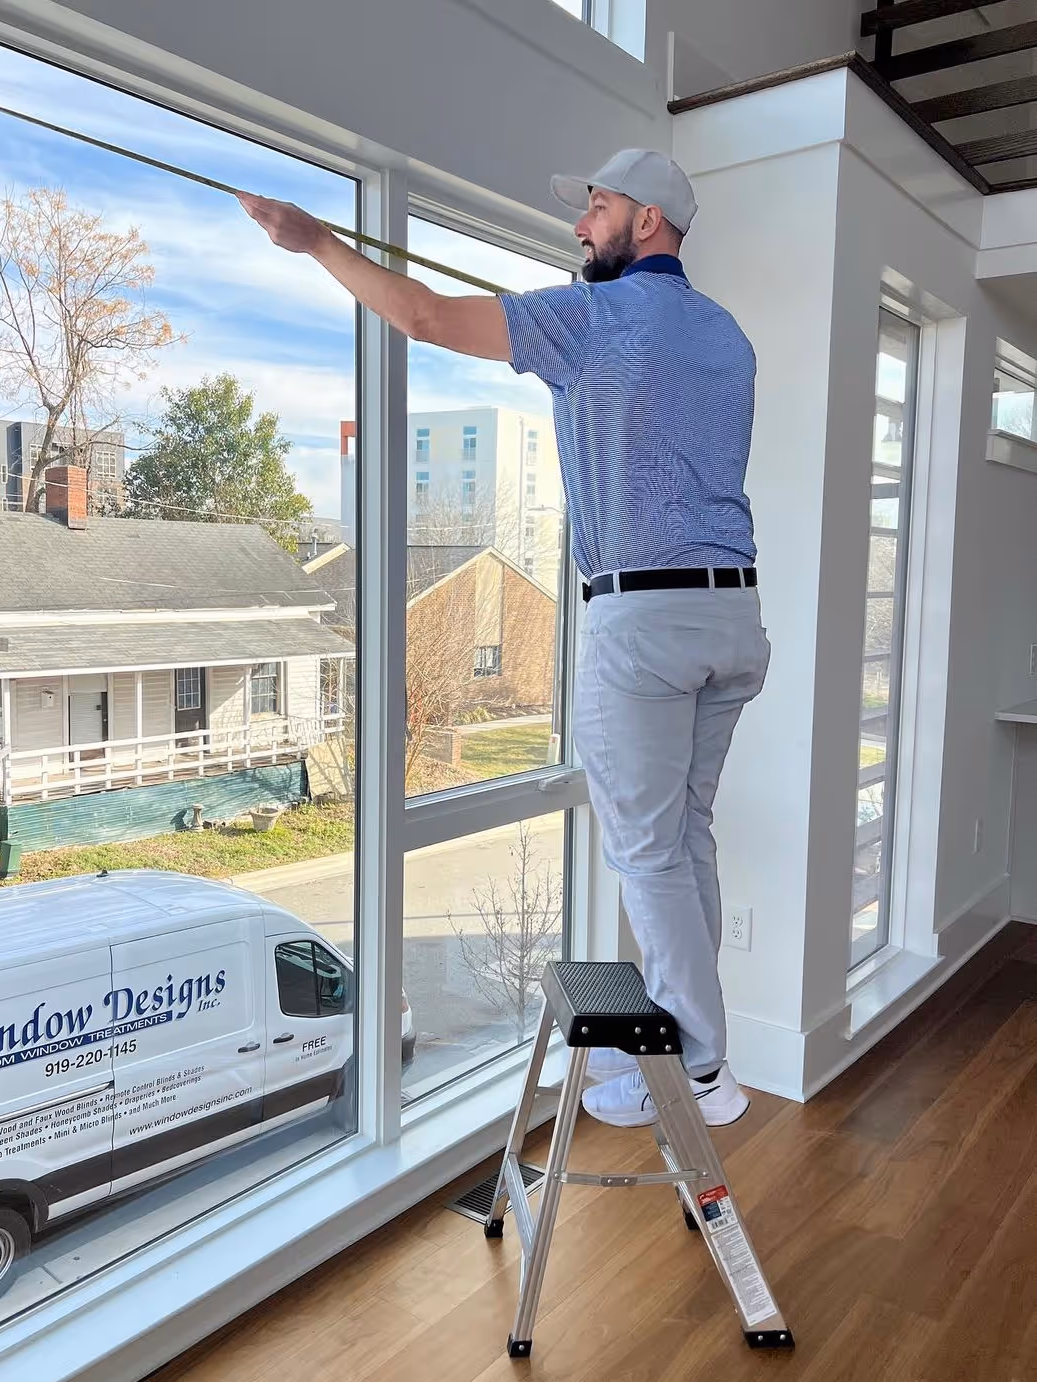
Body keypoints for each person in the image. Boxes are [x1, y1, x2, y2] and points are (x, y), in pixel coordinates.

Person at [238, 147, 768, 1129]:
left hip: (644, 617)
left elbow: (426, 316)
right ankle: (698, 1049)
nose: (580, 225)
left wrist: (316, 242)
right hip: (734, 615)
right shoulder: (727, 336)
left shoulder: (597, 318)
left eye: (596, 206)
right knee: (684, 837)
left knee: (650, 853)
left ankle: (698, 1068)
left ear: (648, 218)